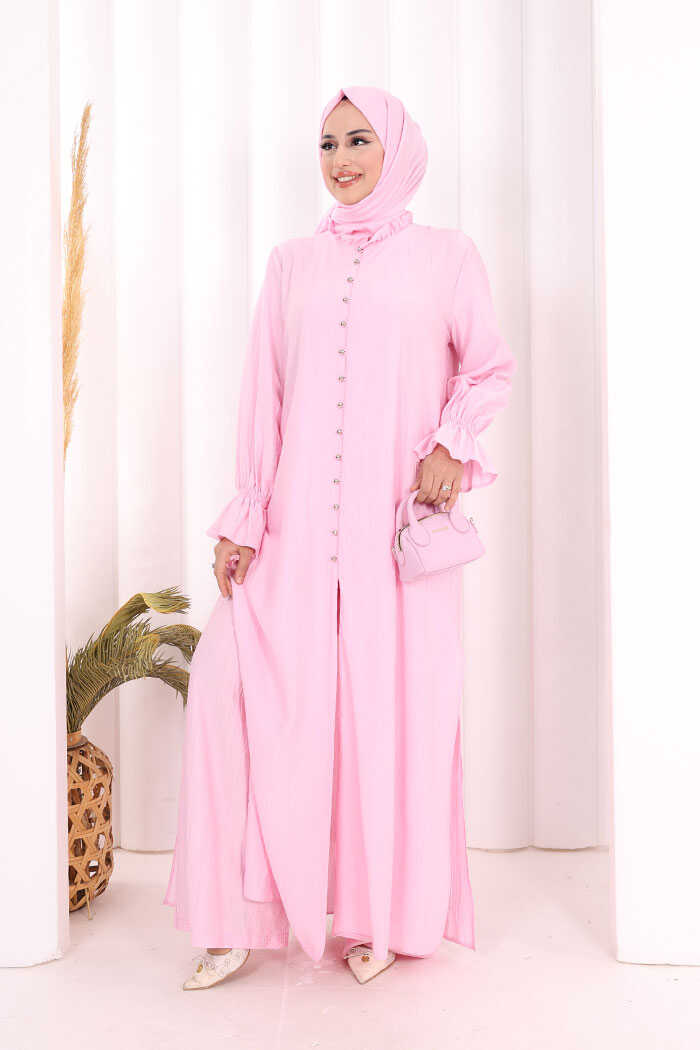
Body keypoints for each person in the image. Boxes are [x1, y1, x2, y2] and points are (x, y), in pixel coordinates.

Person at [163, 84, 516, 990]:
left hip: (391, 541)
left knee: (384, 718)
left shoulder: (447, 257)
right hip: (289, 534)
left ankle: (376, 915)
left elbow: (488, 367)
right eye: (327, 144)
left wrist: (450, 443)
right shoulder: (291, 264)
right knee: (230, 693)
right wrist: (246, 516)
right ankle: (232, 919)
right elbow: (266, 393)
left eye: (359, 141)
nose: (341, 159)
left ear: (396, 149)